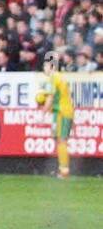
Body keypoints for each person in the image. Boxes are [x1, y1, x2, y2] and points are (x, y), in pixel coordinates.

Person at [36, 51, 74, 179]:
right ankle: (63, 169)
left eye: (45, 65)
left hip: (62, 112)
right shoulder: (59, 77)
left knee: (61, 140)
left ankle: (64, 171)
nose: (44, 68)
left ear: (51, 66)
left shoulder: (53, 77)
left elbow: (51, 97)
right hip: (63, 111)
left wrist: (43, 112)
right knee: (60, 140)